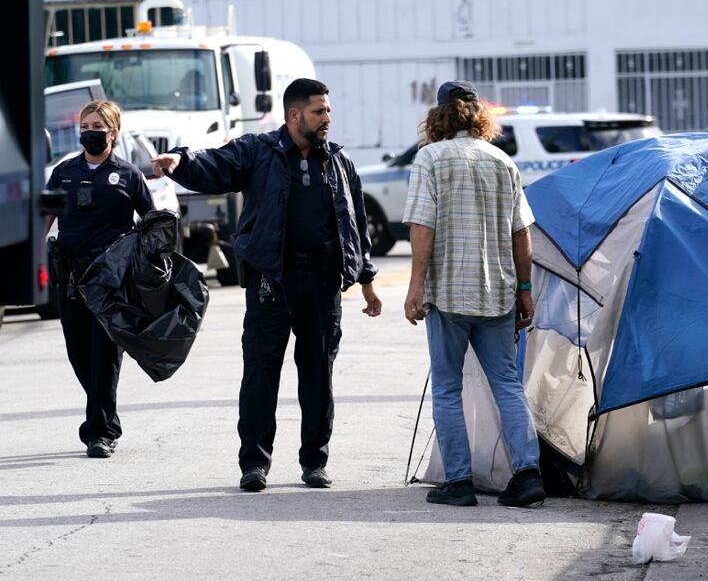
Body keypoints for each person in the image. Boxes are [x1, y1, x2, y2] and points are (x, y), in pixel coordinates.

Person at [150, 78, 382, 492]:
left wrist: (365, 278)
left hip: (322, 283)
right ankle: (254, 463)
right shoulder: (259, 152)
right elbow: (215, 165)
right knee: (260, 371)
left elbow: (355, 222)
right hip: (271, 280)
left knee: (318, 374)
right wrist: (181, 162)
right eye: (318, 111)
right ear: (295, 116)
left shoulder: (339, 162)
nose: (327, 118)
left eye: (328, 111)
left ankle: (315, 462)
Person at [403, 80, 545, 508]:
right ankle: (527, 475)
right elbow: (522, 234)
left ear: (439, 116)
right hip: (498, 291)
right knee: (507, 382)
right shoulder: (503, 161)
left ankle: (459, 482)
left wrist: (415, 286)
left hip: (448, 292)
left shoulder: (430, 158)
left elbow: (422, 227)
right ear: (479, 114)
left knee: (447, 388)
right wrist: (525, 290)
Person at [44, 100, 154, 458]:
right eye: (85, 126)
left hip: (111, 279)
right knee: (79, 352)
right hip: (72, 277)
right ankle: (102, 416)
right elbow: (43, 219)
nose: (90, 132)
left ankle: (101, 431)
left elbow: (151, 220)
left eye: (98, 127)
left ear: (114, 132)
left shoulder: (128, 175)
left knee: (104, 353)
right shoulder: (63, 173)